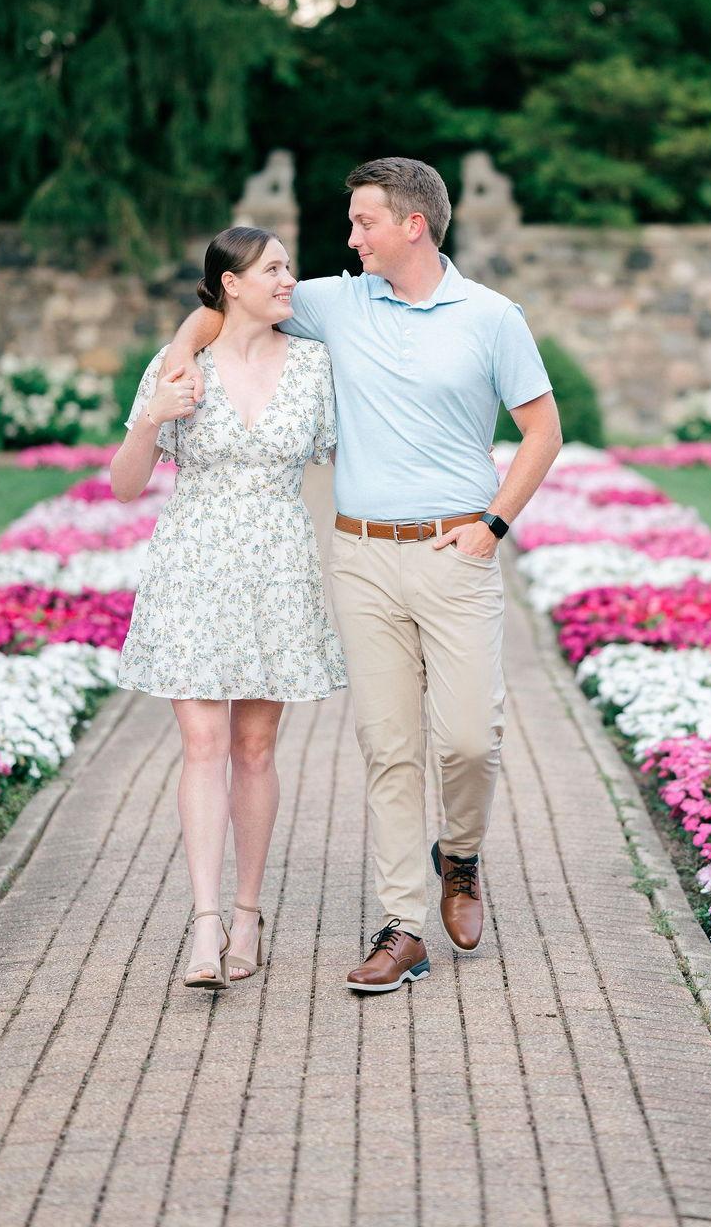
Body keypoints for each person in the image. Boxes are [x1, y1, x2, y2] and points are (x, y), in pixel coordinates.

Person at [162, 157, 562, 993]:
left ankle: (460, 854)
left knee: (468, 740)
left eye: (364, 222)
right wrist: (178, 355)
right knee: (388, 747)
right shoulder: (338, 302)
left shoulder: (492, 318)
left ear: (413, 225)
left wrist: (493, 526)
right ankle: (402, 927)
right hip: (361, 557)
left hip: (456, 553)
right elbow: (226, 305)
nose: (350, 239)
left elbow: (542, 433)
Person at [111, 225, 345, 992]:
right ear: (231, 282)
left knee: (254, 748)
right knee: (203, 743)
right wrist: (154, 414)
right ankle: (206, 923)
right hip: (194, 569)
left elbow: (354, 460)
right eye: (273, 268)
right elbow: (125, 484)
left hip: (276, 571)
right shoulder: (180, 365)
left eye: (288, 267)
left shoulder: (314, 365)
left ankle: (248, 913)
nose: (288, 279)